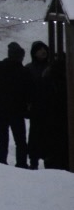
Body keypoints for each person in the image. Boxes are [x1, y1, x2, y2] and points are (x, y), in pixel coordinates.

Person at [0, 41, 30, 167]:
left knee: (3, 140)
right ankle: (21, 164)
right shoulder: (23, 71)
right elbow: (29, 91)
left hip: (0, 110)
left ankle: (2, 164)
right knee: (20, 141)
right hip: (16, 111)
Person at [27, 41, 67, 170]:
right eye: (39, 50)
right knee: (35, 136)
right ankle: (34, 161)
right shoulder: (29, 69)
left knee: (50, 137)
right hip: (37, 109)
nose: (43, 52)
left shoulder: (53, 67)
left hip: (51, 109)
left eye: (44, 49)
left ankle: (49, 160)